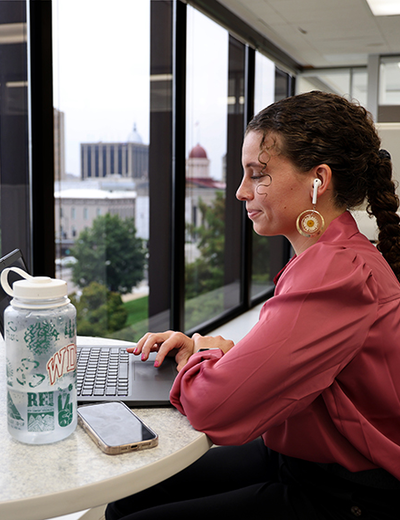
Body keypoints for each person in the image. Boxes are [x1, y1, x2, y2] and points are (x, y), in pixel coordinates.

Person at [106, 91, 400, 520]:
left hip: (345, 492)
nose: (242, 192)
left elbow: (214, 408)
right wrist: (214, 353)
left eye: (258, 174)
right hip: (300, 456)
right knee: (130, 495)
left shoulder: (337, 273)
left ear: (319, 179)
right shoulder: (333, 255)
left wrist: (203, 355)